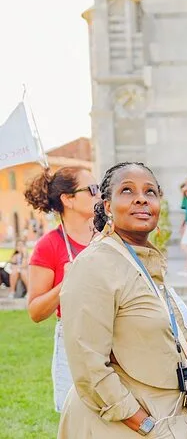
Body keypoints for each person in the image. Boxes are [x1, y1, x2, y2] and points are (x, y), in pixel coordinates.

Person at [57, 162, 187, 438]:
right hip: (123, 424)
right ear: (107, 206)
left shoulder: (146, 261)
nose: (141, 198)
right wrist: (143, 423)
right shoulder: (95, 264)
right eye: (128, 190)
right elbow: (88, 363)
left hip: (168, 412)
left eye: (150, 192)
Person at [23, 166, 100, 412]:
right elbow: (36, 312)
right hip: (73, 340)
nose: (99, 194)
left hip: (114, 335)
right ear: (68, 199)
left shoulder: (109, 236)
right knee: (77, 417)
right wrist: (65, 284)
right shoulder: (49, 246)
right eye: (92, 189)